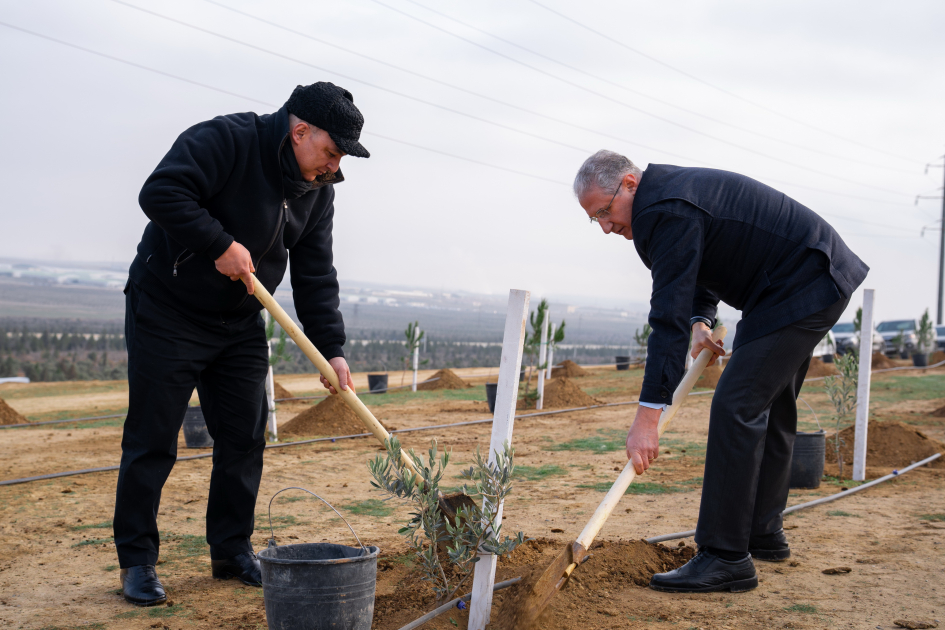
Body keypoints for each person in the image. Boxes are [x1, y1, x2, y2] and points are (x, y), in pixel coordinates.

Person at [114, 82, 369, 606]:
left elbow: (316, 276)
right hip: (168, 310)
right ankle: (137, 561)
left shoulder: (319, 192)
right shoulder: (226, 140)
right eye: (331, 152)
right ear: (300, 132)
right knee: (153, 438)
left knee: (244, 439)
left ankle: (231, 550)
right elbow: (159, 192)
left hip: (239, 323)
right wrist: (218, 244)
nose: (334, 166)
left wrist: (332, 350)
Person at [574, 151, 867, 593]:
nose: (605, 226)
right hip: (806, 279)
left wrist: (647, 417)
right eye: (593, 218)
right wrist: (701, 320)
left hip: (802, 281)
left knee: (736, 405)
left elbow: (664, 319)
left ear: (630, 184)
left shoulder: (662, 209)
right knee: (770, 401)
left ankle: (725, 556)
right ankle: (761, 533)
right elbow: (695, 274)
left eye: (604, 210)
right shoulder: (665, 204)